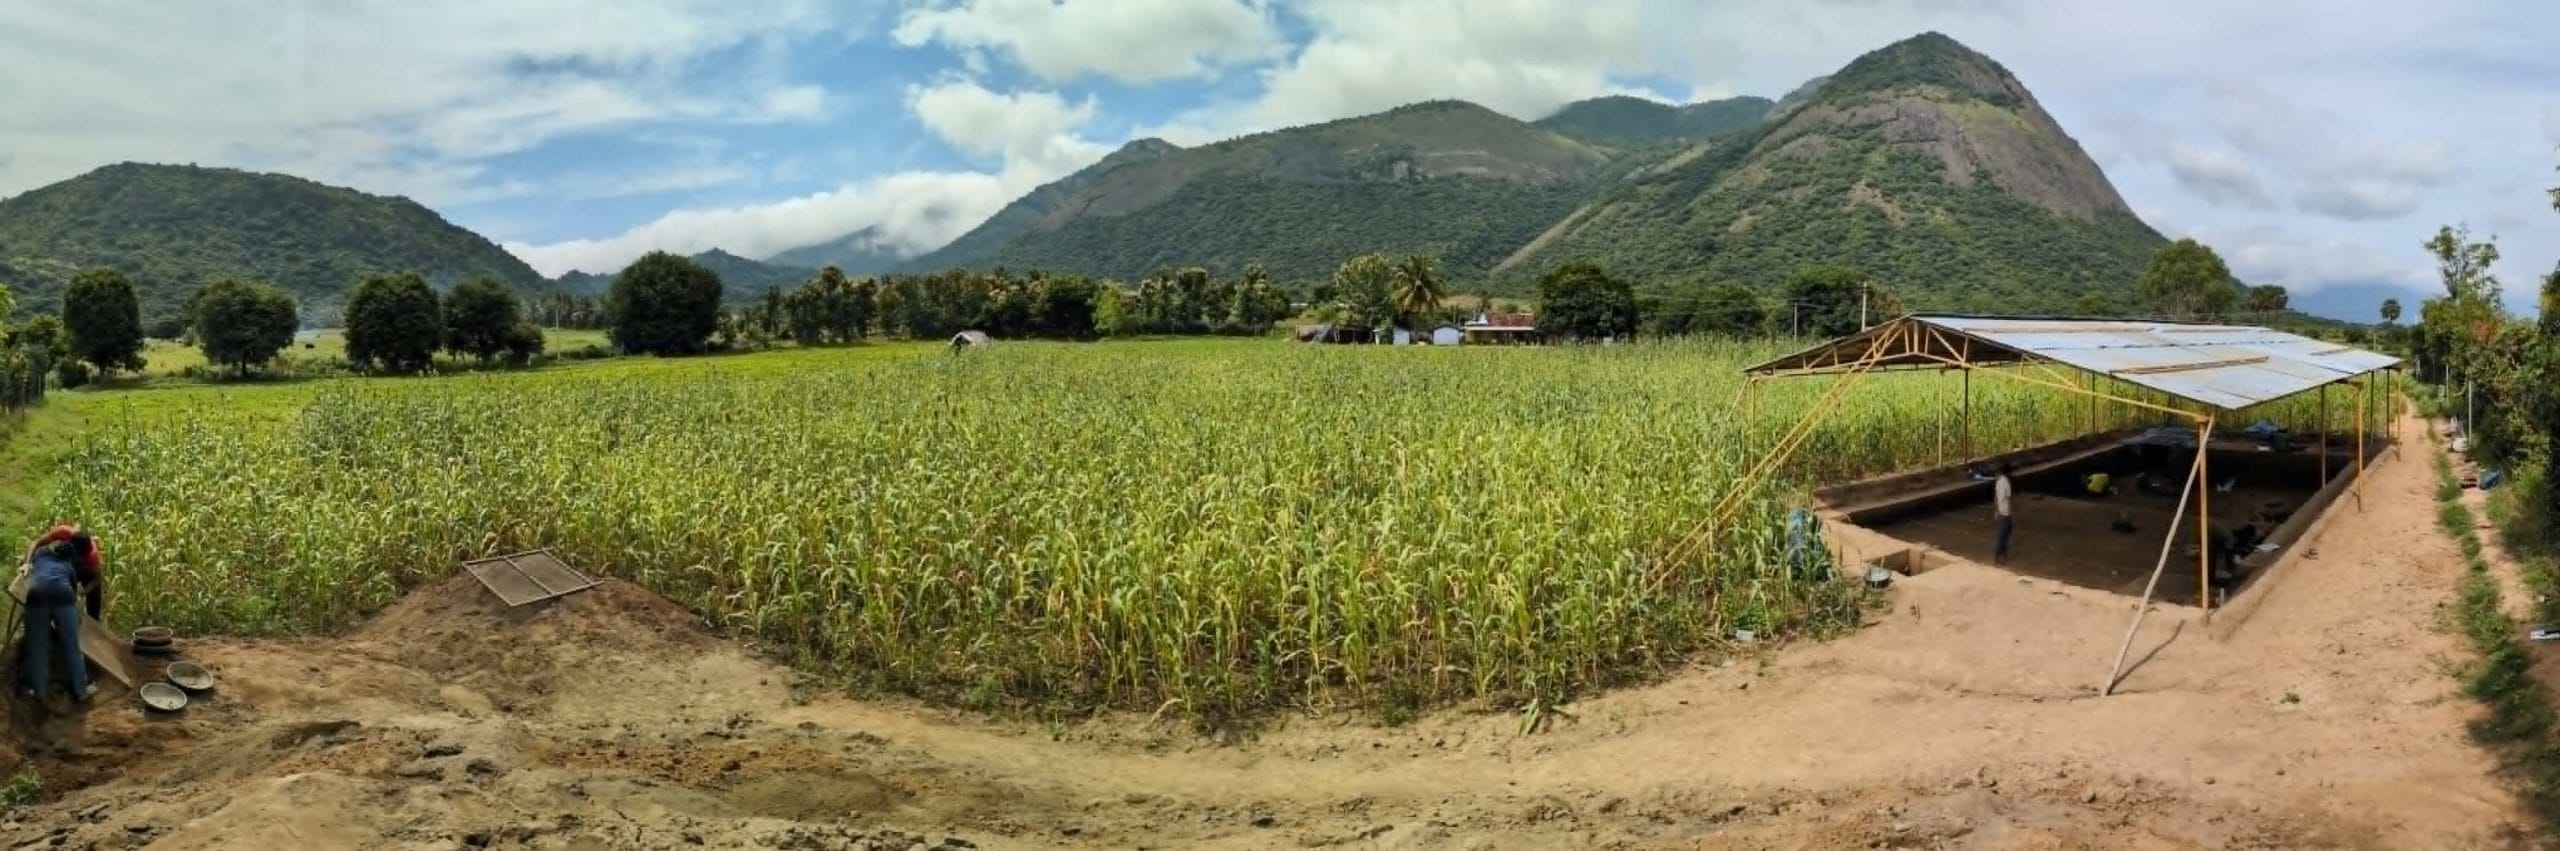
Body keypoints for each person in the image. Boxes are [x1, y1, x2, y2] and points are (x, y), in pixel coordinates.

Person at [17, 531, 95, 704]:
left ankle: (39, 692)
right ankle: (81, 691)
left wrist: (25, 564)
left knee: (37, 647)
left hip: (37, 596)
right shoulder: (68, 567)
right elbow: (73, 596)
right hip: (64, 597)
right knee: (73, 646)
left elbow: (29, 565)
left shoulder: (42, 554)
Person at [28, 524, 103, 620]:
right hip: (65, 563)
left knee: (94, 603)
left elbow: (97, 579)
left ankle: (93, 623)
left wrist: (81, 593)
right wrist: (27, 563)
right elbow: (36, 544)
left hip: (86, 572)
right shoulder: (63, 532)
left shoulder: (92, 556)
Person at [1992, 462, 2015, 565]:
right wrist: (2011, 513)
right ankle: (1999, 556)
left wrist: (1996, 511)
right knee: (2004, 536)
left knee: (2001, 535)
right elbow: (2009, 499)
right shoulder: (2006, 483)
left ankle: (1999, 556)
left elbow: (1996, 498)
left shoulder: (1998, 482)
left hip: (2000, 512)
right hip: (2005, 512)